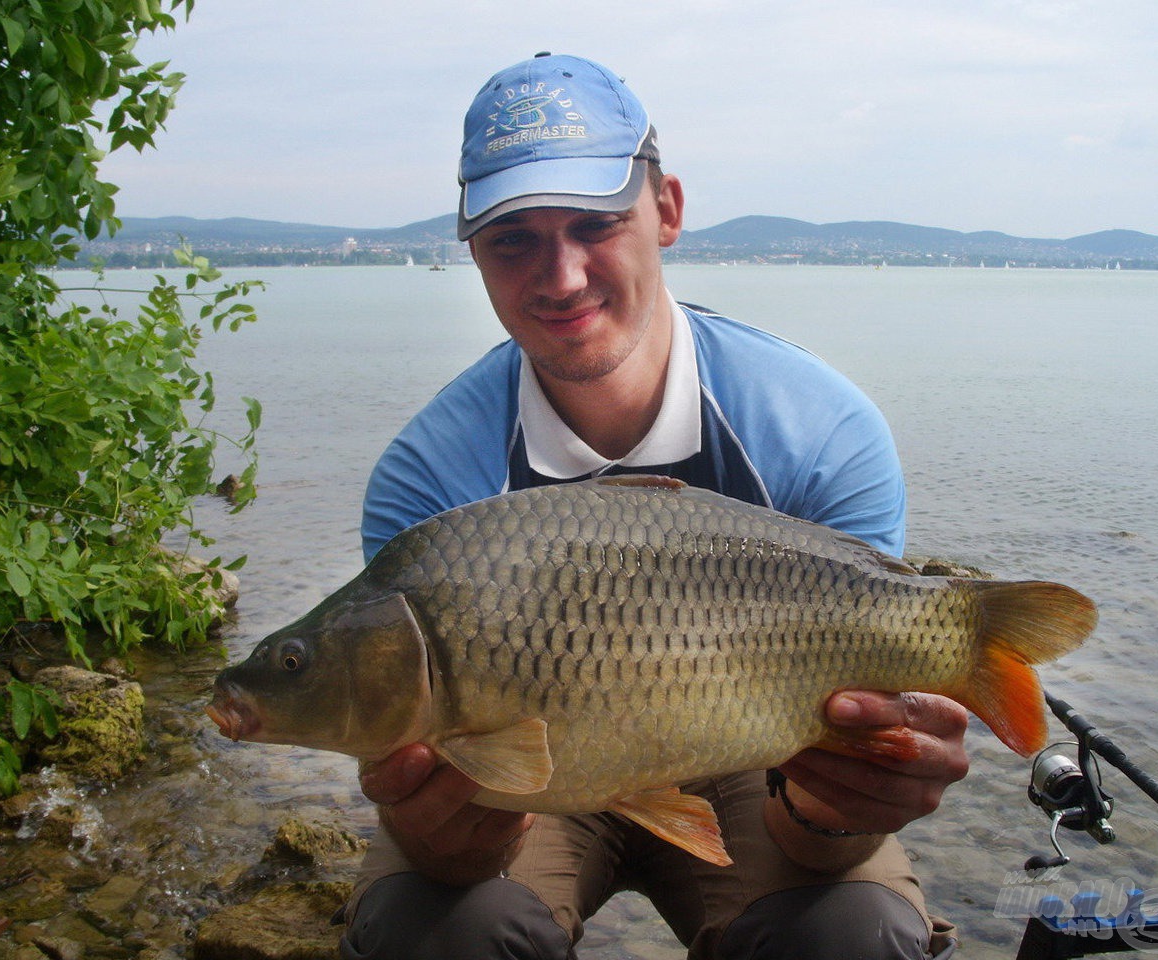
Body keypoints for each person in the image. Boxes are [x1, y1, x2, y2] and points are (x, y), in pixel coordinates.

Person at [341, 52, 965, 960]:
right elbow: (452, 818)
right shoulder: (428, 480)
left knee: (850, 929)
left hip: (755, 758)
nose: (559, 277)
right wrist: (445, 842)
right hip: (526, 776)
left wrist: (842, 811)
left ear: (666, 210)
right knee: (438, 928)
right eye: (514, 238)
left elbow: (818, 827)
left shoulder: (819, 432)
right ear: (471, 245)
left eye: (595, 224)